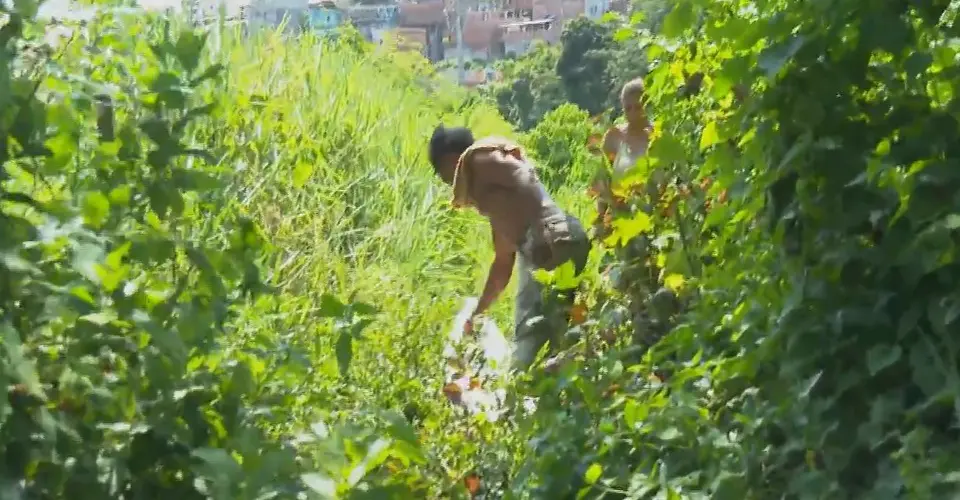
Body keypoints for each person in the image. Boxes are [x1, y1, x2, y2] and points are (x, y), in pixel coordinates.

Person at [428, 125, 591, 370]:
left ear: (451, 160)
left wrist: (541, 230)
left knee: (529, 333)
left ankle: (522, 392)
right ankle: (569, 387)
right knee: (557, 335)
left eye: (442, 173)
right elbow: (502, 265)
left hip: (549, 239)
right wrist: (477, 314)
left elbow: (523, 177)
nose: (445, 182)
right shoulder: (499, 204)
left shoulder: (477, 158)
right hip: (562, 240)